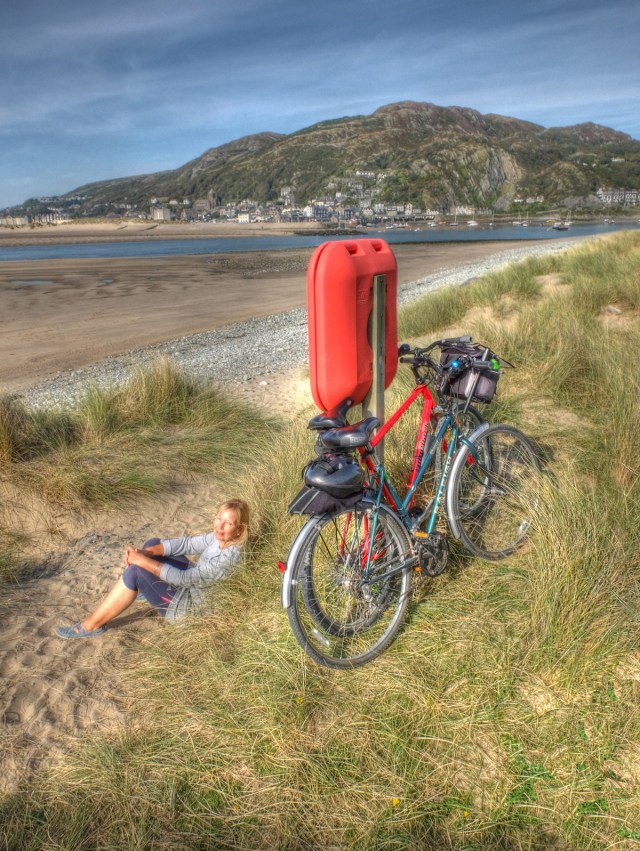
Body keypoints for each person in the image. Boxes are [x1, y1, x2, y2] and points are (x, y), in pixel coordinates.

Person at [56, 499, 250, 638]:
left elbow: (186, 578)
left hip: (187, 610)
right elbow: (186, 544)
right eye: (218, 519)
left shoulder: (229, 558)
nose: (220, 526)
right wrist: (145, 552)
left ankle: (91, 625)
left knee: (135, 572)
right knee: (154, 544)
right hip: (192, 588)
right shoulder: (220, 539)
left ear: (239, 529)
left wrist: (141, 561)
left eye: (228, 523)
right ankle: (144, 588)